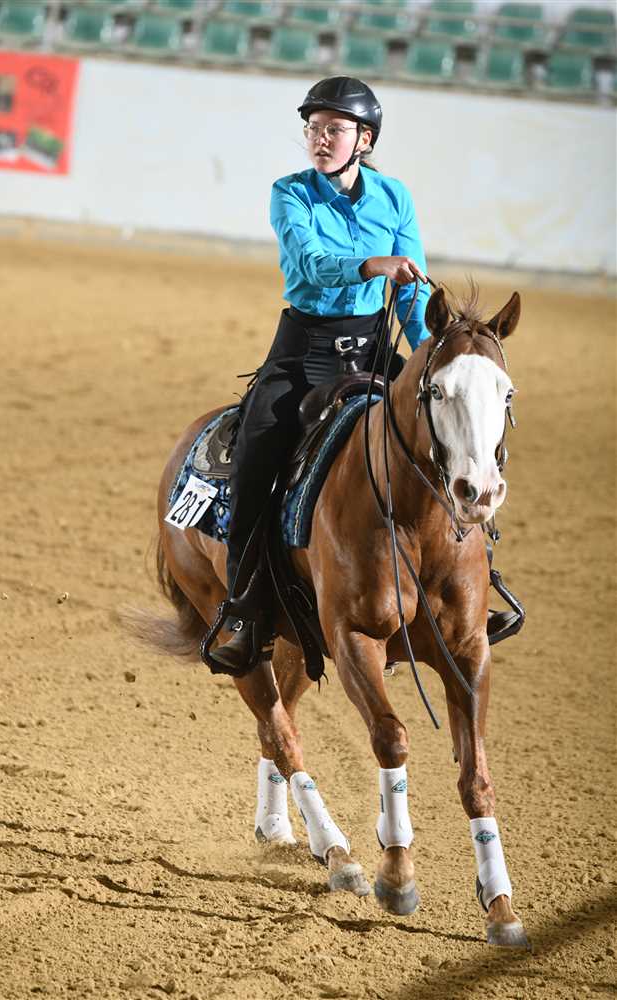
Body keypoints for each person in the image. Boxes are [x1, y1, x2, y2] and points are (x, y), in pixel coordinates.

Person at [211, 76, 431, 673]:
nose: (320, 138)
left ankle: (471, 586)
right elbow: (309, 263)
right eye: (313, 128)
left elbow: (412, 295)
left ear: (365, 139)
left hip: (375, 350)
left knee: (444, 443)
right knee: (256, 457)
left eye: (335, 129)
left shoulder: (395, 197)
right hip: (303, 353)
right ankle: (245, 613)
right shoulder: (290, 193)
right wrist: (372, 264)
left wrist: (427, 360)